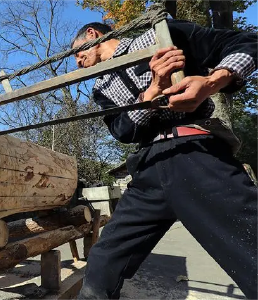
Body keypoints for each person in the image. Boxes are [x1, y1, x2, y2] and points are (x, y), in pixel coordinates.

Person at [71, 19, 258, 300]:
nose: (77, 62)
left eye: (77, 52)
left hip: (195, 153)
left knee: (250, 249)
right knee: (102, 261)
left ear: (92, 35)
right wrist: (152, 90)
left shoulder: (162, 33)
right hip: (147, 169)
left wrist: (210, 83)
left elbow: (248, 43)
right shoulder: (101, 87)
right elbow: (124, 131)